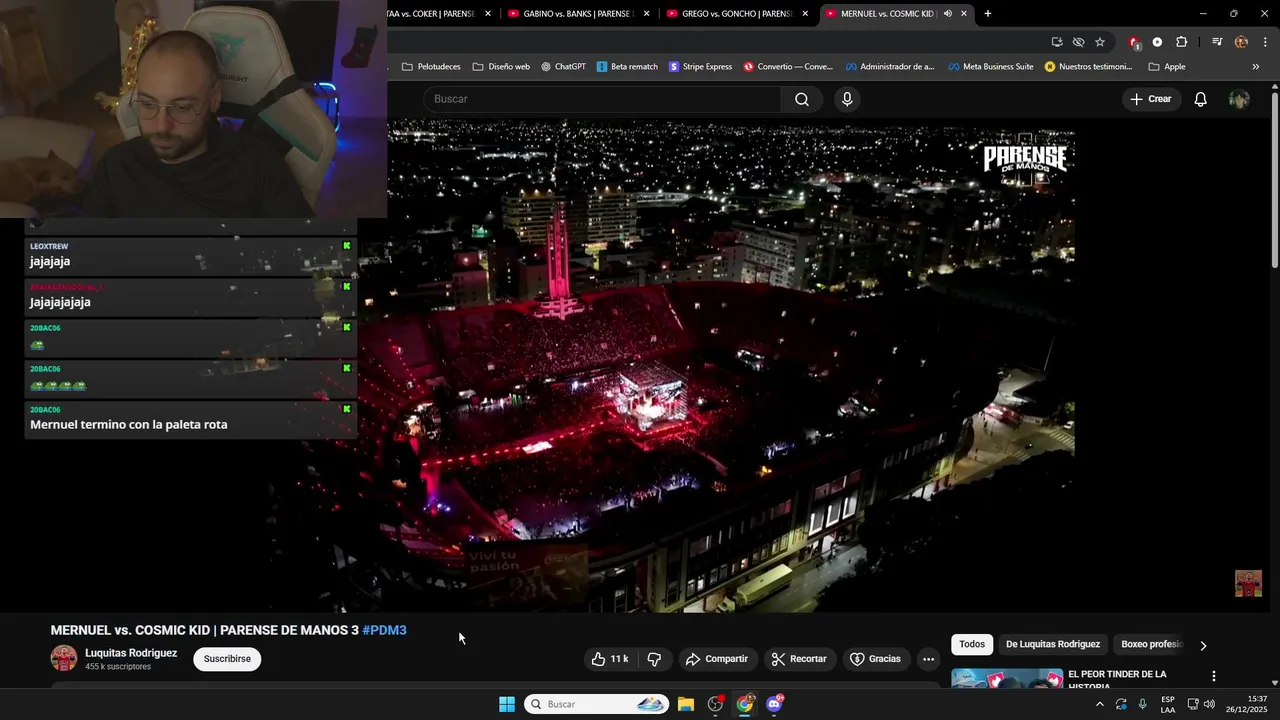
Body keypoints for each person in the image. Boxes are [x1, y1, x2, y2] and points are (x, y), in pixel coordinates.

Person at [80, 30, 313, 218]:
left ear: (214, 98)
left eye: (181, 108)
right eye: (148, 104)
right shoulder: (117, 167)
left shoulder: (257, 167)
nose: (161, 127)